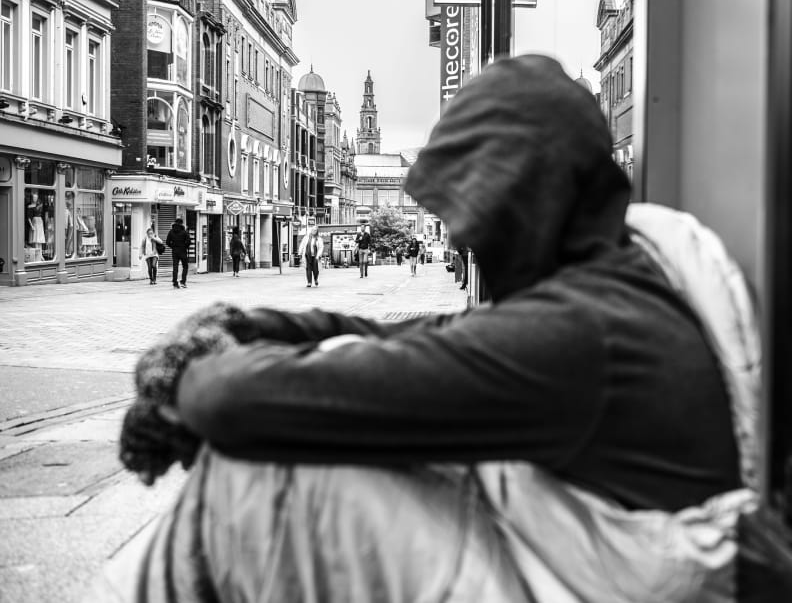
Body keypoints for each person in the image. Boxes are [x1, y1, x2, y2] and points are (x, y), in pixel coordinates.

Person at [106, 55, 757, 602]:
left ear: (517, 200)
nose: (459, 236)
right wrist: (243, 323)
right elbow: (404, 338)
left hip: (599, 588)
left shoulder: (578, 333)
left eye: (465, 211)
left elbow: (233, 402)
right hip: (590, 569)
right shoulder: (616, 284)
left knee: (255, 472)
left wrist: (182, 372)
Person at [165, 217, 190, 289]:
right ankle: (183, 282)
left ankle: (175, 283)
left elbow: (167, 242)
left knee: (175, 267)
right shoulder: (184, 232)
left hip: (175, 252)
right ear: (181, 223)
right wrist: (184, 247)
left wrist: (173, 246)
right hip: (183, 251)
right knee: (185, 266)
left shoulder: (171, 231)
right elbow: (188, 242)